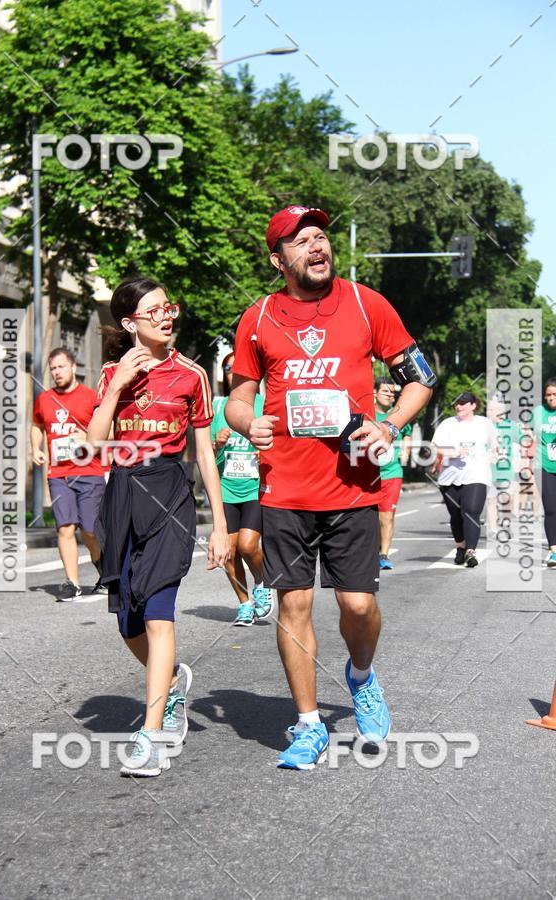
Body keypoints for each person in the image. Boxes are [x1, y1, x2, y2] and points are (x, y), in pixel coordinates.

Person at [225, 205, 434, 770]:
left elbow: (421, 377)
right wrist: (249, 423)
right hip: (284, 488)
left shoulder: (367, 303)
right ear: (279, 259)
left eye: (321, 236)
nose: (316, 245)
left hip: (354, 486)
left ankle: (361, 675)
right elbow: (238, 398)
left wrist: (389, 426)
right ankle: (309, 724)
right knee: (292, 605)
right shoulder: (259, 316)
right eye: (300, 240)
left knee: (358, 603)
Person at [87, 276, 230, 778]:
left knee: (158, 611)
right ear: (129, 323)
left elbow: (205, 455)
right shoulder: (110, 374)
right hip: (122, 492)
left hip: (169, 489)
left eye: (169, 307)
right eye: (154, 310)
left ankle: (152, 736)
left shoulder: (192, 375)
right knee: (128, 621)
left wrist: (220, 526)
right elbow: (92, 444)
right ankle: (169, 685)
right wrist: (120, 386)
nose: (167, 315)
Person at [31, 347, 108, 601]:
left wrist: (87, 437)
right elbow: (36, 425)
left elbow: (110, 432)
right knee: (65, 528)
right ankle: (72, 583)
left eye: (61, 367)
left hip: (89, 472)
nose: (56, 372)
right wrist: (35, 449)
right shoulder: (44, 399)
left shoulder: (90, 397)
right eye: (53, 368)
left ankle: (105, 569)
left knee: (89, 529)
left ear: (73, 367)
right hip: (58, 474)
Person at [211, 351, 274, 625]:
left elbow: (281, 446)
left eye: (239, 368)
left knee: (248, 546)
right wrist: (218, 444)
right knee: (230, 551)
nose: (233, 372)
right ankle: (244, 603)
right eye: (228, 368)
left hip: (254, 489)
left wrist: (266, 455)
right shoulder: (218, 408)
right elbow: (207, 458)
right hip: (225, 489)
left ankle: (262, 582)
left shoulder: (265, 405)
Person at [431, 391, 498, 567]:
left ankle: (470, 551)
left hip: (477, 475)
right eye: (457, 403)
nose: (459, 406)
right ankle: (460, 547)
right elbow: (434, 448)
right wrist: (453, 452)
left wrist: (495, 455)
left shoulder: (484, 424)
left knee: (471, 511)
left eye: (463, 403)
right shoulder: (447, 424)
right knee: (456, 515)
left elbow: (495, 444)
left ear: (473, 405)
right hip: (449, 477)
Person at [374, 377, 412, 571]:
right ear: (375, 393)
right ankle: (372, 549)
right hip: (368, 475)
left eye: (392, 393)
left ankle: (384, 555)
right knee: (368, 517)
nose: (390, 395)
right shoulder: (367, 416)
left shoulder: (397, 416)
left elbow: (407, 431)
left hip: (392, 472)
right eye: (386, 392)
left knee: (387, 516)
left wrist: (406, 448)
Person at [486, 398, 522, 537]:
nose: (488, 412)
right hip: (489, 468)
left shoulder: (512, 426)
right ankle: (494, 529)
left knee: (507, 497)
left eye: (491, 410)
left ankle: (505, 522)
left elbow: (522, 441)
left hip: (506, 468)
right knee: (491, 499)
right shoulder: (485, 426)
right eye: (488, 409)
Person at [533, 378, 556, 566]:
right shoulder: (538, 413)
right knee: (550, 509)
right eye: (548, 395)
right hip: (544, 465)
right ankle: (553, 550)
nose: (551, 398)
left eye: (554, 395)